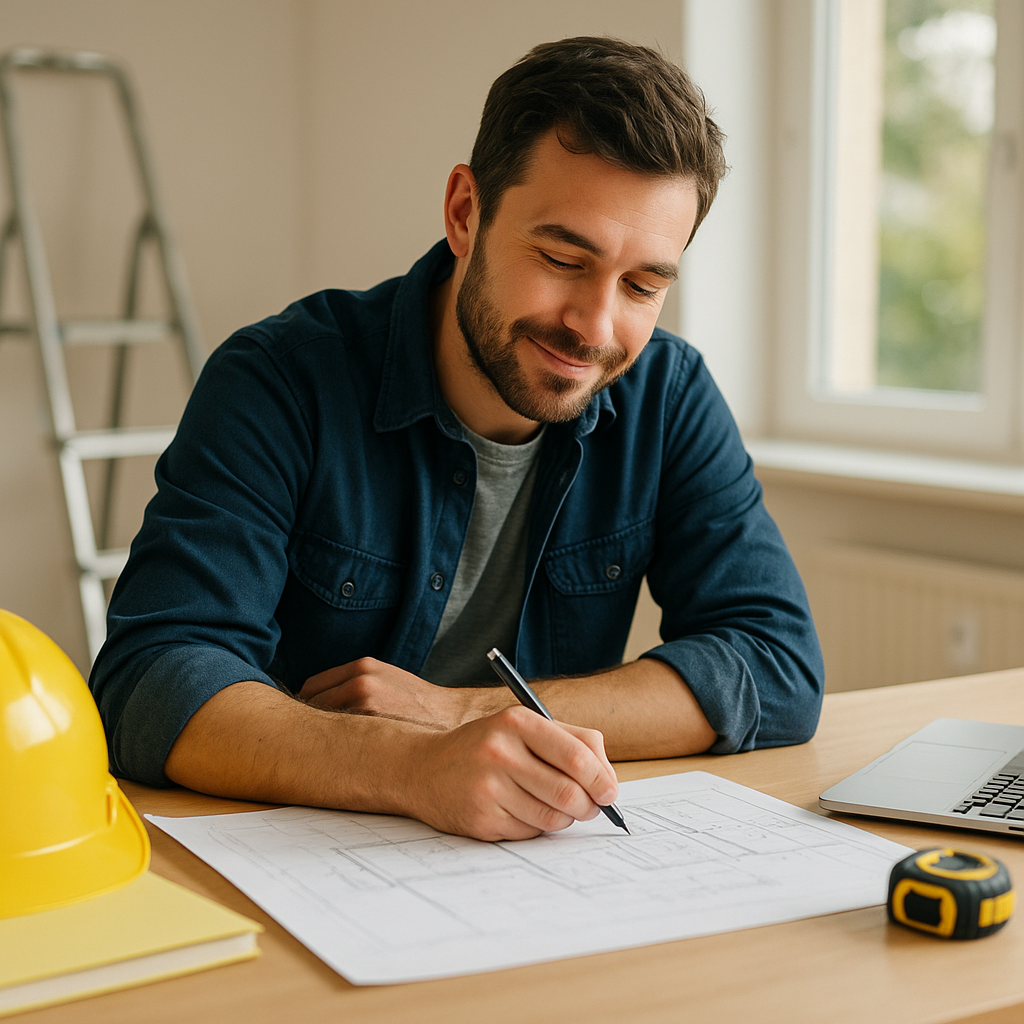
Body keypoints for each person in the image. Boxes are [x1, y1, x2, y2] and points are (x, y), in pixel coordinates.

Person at [90, 36, 824, 842]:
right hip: (302, 857)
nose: (595, 326)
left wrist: (460, 712)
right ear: (465, 213)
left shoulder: (668, 395)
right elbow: (151, 676)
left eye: (643, 285)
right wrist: (411, 766)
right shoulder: (280, 381)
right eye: (561, 259)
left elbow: (777, 665)